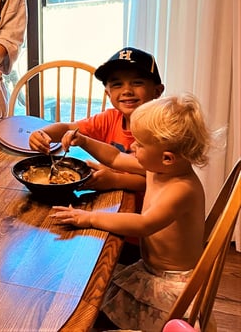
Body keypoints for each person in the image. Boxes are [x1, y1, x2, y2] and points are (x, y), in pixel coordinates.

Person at [51, 93, 212, 332]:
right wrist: (84, 141)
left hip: (171, 286)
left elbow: (143, 224)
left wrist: (89, 218)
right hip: (148, 269)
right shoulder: (159, 168)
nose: (132, 147)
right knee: (94, 296)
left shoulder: (182, 189)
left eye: (139, 144)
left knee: (91, 306)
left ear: (167, 157)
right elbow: (115, 157)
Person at [29, 47, 165, 194]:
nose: (127, 90)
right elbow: (68, 127)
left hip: (142, 212)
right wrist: (42, 133)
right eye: (117, 84)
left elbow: (158, 179)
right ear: (108, 93)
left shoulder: (164, 130)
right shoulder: (110, 118)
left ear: (157, 91)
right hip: (108, 198)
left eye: (137, 82)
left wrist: (115, 180)